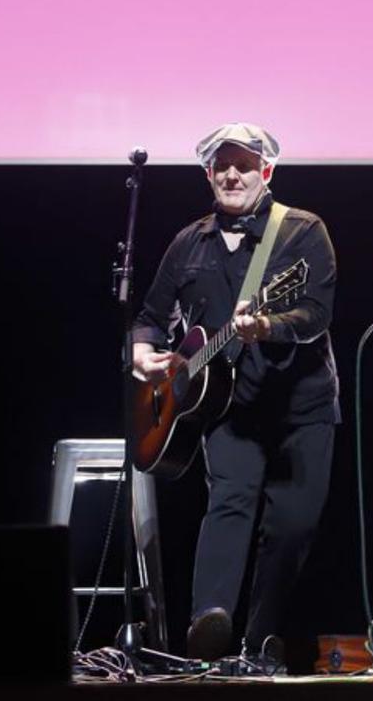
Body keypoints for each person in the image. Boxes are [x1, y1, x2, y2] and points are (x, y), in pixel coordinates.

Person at [132, 122, 339, 662]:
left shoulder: (301, 231)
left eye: (243, 165)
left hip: (302, 404)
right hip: (227, 407)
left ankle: (259, 640)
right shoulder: (188, 242)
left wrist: (266, 326)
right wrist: (142, 351)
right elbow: (151, 315)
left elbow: (315, 314)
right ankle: (210, 620)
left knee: (292, 525)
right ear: (208, 174)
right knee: (229, 501)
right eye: (221, 165)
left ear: (265, 171)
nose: (231, 175)